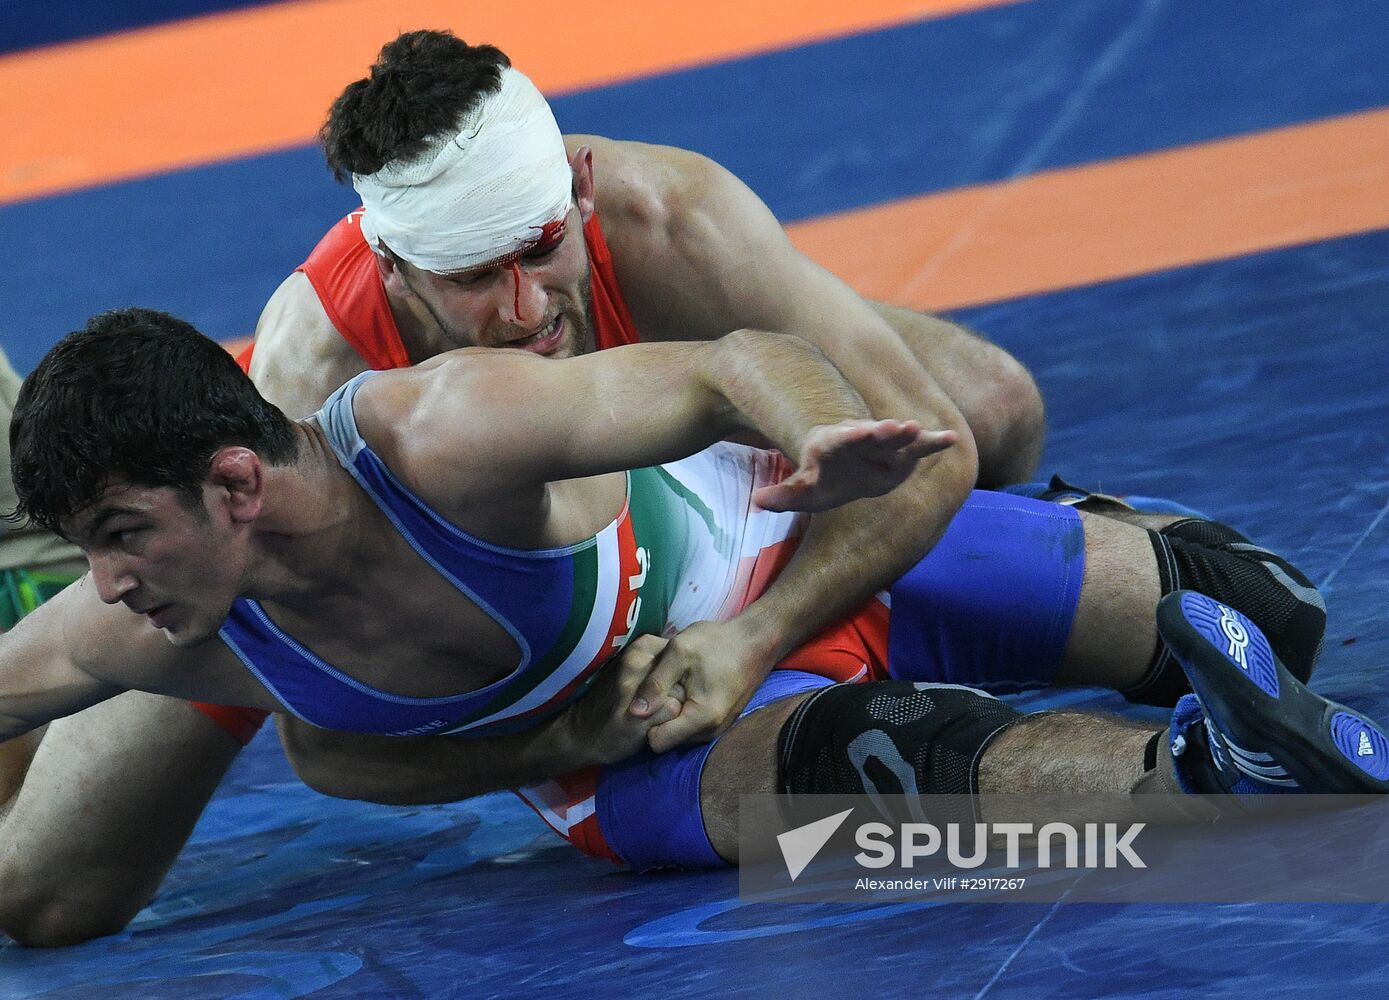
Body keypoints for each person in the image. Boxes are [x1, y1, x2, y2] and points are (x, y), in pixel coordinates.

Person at [7, 310, 1374, 886]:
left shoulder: (441, 433)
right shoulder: (147, 624)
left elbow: (736, 363)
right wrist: (558, 744)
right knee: (901, 768)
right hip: (653, 748)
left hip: (787, 562)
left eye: (122, 534)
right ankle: (1205, 770)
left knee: (1252, 602)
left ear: (236, 483)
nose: (109, 583)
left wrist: (826, 439)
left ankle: (1124, 582)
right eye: (90, 549)